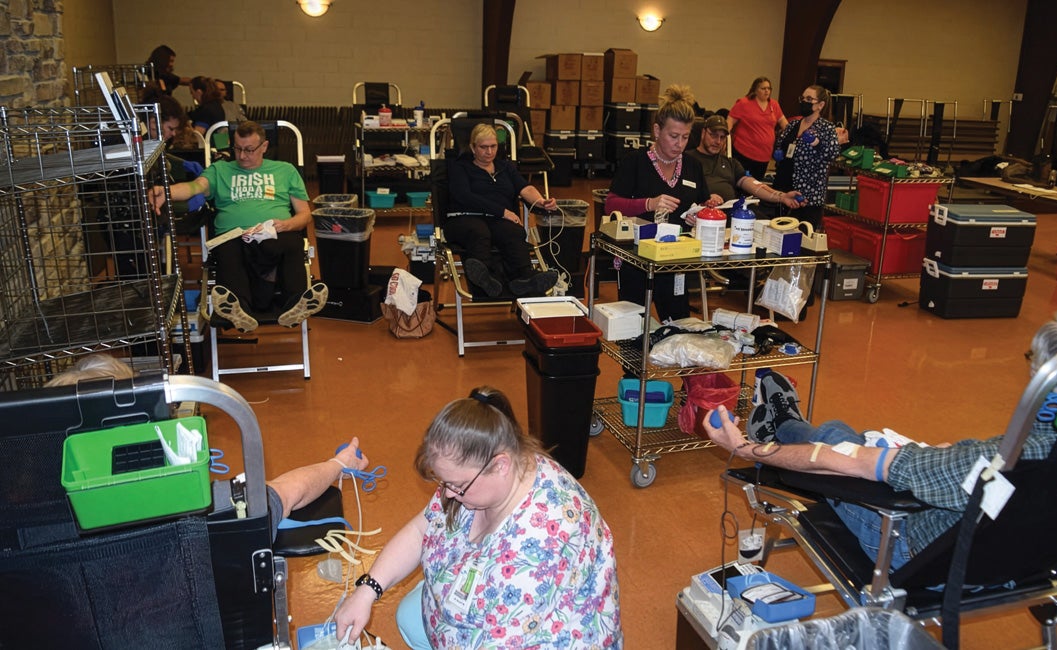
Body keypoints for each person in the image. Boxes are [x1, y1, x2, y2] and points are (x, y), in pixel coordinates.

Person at [702, 308, 1057, 570]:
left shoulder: (1007, 460)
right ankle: (786, 421)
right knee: (853, 439)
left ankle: (779, 425)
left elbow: (839, 461)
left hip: (909, 545)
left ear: (1043, 377)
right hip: (1027, 561)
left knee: (836, 439)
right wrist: (956, 455)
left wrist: (742, 448)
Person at [333, 386, 621, 649]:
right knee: (410, 617)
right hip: (475, 613)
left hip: (529, 638)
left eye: (458, 486)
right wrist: (367, 590)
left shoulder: (540, 545)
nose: (448, 494)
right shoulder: (485, 470)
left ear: (501, 465)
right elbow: (422, 529)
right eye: (444, 482)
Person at [45, 353, 371, 540]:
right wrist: (339, 464)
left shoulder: (34, 526)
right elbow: (288, 492)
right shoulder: (190, 510)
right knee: (267, 495)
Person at [149, 120, 328, 332]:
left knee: (292, 243)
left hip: (274, 235)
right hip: (233, 238)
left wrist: (284, 225)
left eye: (249, 150)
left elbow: (305, 215)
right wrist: (166, 191)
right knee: (227, 249)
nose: (242, 156)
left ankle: (296, 305)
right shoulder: (220, 170)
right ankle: (240, 310)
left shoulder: (285, 170)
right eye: (238, 148)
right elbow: (194, 187)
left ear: (264, 146)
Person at [604, 84, 711, 321]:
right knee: (633, 326)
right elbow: (611, 205)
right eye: (673, 136)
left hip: (676, 260)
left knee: (678, 325)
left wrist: (700, 214)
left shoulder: (693, 166)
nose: (679, 144)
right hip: (636, 259)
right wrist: (649, 204)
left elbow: (702, 202)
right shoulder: (635, 162)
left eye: (685, 137)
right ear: (656, 130)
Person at [445, 123, 560, 297]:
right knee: (479, 232)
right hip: (463, 217)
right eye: (483, 147)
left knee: (514, 232)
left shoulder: (505, 167)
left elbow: (525, 188)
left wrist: (541, 202)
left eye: (493, 146)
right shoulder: (459, 167)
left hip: (496, 220)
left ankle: (524, 278)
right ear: (473, 148)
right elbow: (464, 196)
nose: (489, 151)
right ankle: (487, 279)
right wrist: (502, 211)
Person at [771, 85, 847, 229]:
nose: (804, 102)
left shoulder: (826, 128)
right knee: (777, 231)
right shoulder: (793, 124)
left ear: (820, 105)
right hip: (784, 187)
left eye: (809, 99)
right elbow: (781, 143)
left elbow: (832, 154)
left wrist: (817, 143)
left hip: (808, 194)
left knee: (802, 235)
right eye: (803, 98)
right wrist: (778, 153)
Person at [692, 114, 805, 211]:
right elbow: (684, 190)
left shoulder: (731, 163)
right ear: (703, 133)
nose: (718, 141)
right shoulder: (688, 159)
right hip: (699, 213)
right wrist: (704, 197)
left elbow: (754, 185)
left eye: (722, 137)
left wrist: (782, 196)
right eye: (713, 135)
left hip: (731, 214)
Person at [728, 77, 788, 178]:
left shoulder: (774, 105)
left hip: (764, 155)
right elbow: (730, 121)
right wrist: (726, 137)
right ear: (755, 90)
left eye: (769, 88)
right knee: (741, 181)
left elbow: (784, 124)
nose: (767, 91)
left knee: (757, 183)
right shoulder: (744, 103)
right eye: (763, 88)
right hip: (744, 152)